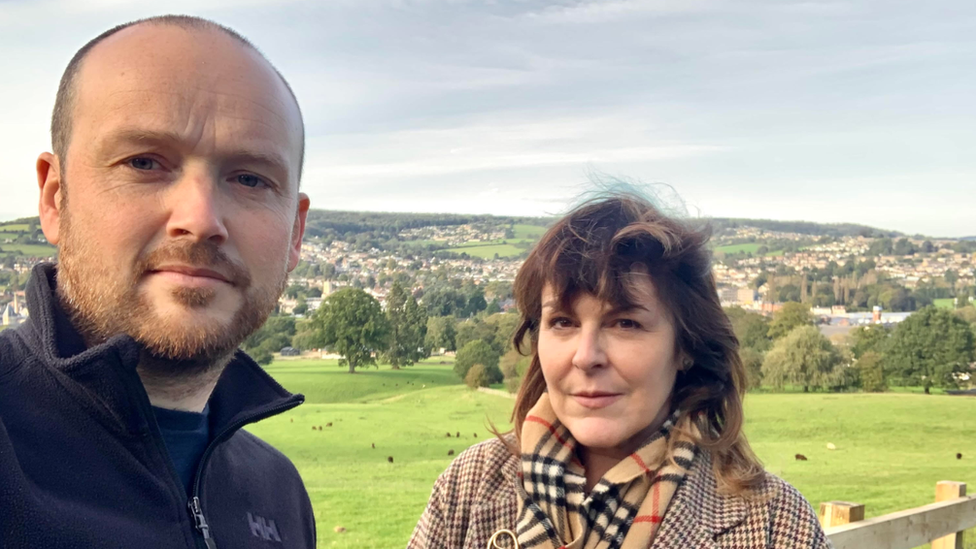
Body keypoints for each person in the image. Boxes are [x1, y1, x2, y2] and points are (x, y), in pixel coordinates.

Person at [0, 15, 315, 548]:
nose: (201, 218)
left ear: (295, 232)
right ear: (56, 197)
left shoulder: (277, 492)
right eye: (144, 162)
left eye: (249, 178)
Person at [408, 193, 831, 549]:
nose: (586, 356)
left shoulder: (775, 525)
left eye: (625, 323)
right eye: (563, 322)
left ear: (685, 346)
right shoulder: (468, 487)